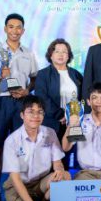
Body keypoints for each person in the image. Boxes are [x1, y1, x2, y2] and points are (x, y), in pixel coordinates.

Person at [0, 13, 38, 201]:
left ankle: (21, 189)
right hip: (0, 102)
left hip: (21, 103)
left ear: (23, 31)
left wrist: (27, 91)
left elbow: (34, 78)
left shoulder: (28, 53)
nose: (15, 31)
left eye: (18, 27)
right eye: (11, 26)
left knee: (21, 147)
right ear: (5, 29)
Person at [2, 95, 70, 201]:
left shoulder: (50, 133)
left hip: (39, 183)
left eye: (40, 112)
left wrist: (59, 169)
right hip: (18, 187)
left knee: (65, 176)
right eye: (30, 112)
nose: (35, 116)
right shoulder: (12, 141)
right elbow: (15, 180)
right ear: (22, 115)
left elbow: (57, 163)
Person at [34, 38, 83, 169]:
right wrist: (60, 114)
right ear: (51, 55)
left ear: (69, 55)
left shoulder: (76, 75)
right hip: (52, 121)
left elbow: (82, 98)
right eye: (57, 51)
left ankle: (65, 180)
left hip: (72, 122)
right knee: (51, 159)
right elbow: (42, 97)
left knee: (68, 155)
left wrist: (75, 116)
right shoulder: (43, 74)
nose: (61, 55)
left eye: (64, 52)